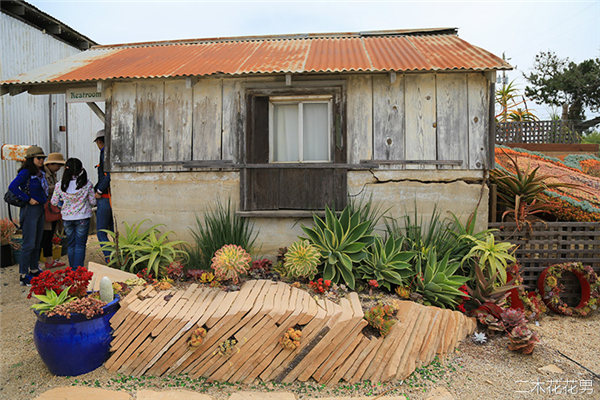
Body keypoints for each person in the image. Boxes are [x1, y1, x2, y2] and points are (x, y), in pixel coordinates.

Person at [8, 145, 48, 285]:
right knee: (29, 243)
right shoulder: (26, 172)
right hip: (30, 210)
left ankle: (34, 269)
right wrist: (27, 198)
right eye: (39, 158)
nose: (42, 160)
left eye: (43, 158)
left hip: (39, 209)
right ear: (31, 159)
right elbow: (12, 187)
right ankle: (23, 275)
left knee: (37, 242)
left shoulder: (39, 172)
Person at [51, 158, 96, 270]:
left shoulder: (60, 185)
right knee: (80, 245)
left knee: (71, 245)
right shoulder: (87, 184)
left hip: (67, 218)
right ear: (81, 169)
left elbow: (54, 202)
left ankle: (72, 270)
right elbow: (93, 202)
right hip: (83, 217)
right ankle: (78, 271)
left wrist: (62, 203)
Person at [41, 152, 66, 269]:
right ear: (51, 164)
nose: (59, 168)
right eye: (58, 165)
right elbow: (44, 189)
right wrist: (58, 187)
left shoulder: (51, 173)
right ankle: (48, 260)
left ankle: (49, 259)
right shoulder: (43, 174)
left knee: (49, 235)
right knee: (46, 235)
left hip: (51, 208)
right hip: (46, 209)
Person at [93, 129, 114, 262]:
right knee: (113, 231)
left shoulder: (104, 152)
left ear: (99, 142)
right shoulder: (113, 152)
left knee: (101, 233)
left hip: (105, 197)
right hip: (112, 198)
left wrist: (99, 191)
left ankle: (110, 260)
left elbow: (108, 175)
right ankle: (117, 258)